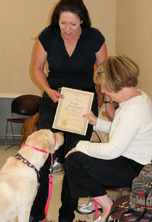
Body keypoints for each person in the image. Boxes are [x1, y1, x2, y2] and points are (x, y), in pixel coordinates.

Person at [30, 0, 113, 221]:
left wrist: (108, 102)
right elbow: (37, 69)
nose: (67, 29)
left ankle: (67, 213)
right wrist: (47, 89)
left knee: (74, 157)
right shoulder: (48, 36)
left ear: (82, 22)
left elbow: (105, 74)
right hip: (53, 97)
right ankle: (37, 214)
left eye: (73, 24)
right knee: (44, 157)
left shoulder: (95, 37)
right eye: (63, 22)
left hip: (83, 100)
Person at [65, 55, 152, 222]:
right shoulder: (138, 97)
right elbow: (122, 131)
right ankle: (103, 203)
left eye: (104, 86)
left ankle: (106, 206)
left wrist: (82, 146)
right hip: (133, 160)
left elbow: (112, 151)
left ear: (116, 83)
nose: (103, 91)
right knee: (78, 155)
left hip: (135, 169)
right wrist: (97, 123)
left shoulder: (132, 110)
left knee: (74, 160)